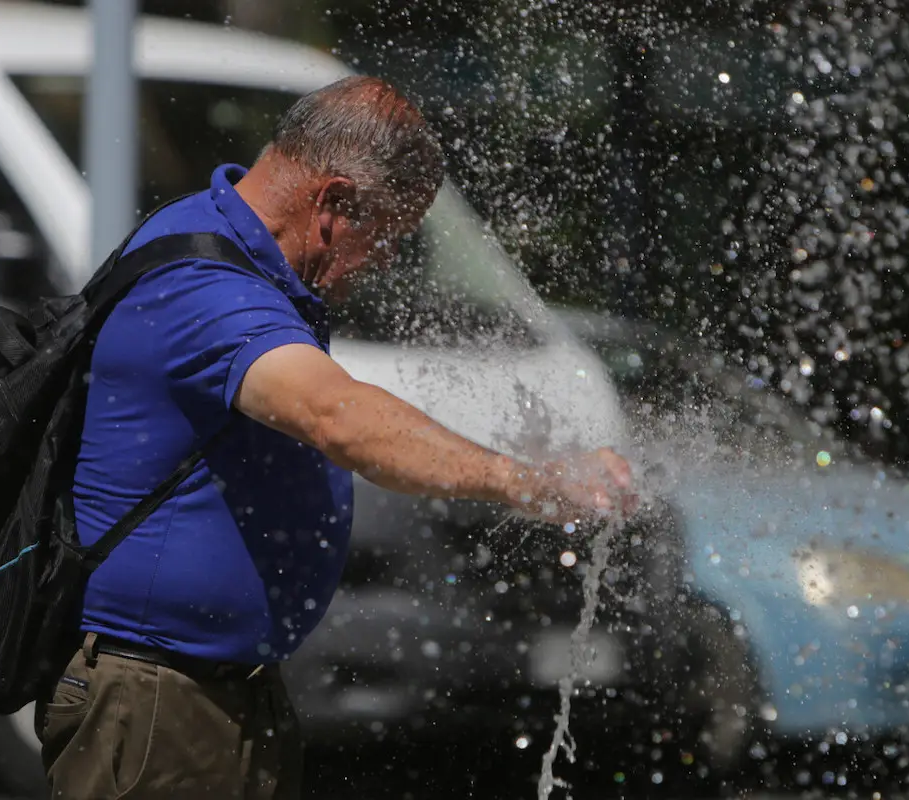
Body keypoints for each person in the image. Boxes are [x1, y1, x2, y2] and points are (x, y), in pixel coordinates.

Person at [37, 75, 635, 799]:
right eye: (384, 236)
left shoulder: (232, 254)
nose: (382, 262)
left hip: (213, 687)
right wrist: (529, 482)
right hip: (156, 696)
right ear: (334, 203)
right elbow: (339, 417)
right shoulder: (206, 287)